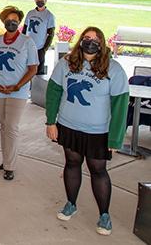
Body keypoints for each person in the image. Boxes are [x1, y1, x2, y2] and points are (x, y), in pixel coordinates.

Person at [45, 27, 129, 236]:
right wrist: (50, 121)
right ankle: (71, 203)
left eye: (95, 39)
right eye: (86, 38)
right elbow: (54, 92)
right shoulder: (66, 63)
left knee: (98, 170)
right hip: (69, 125)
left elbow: (120, 105)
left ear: (102, 44)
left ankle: (104, 215)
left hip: (98, 131)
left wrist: (115, 138)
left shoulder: (114, 69)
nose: (90, 42)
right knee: (72, 163)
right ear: (80, 40)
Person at [0, 6, 38, 180]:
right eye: (8, 20)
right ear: (3, 21)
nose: (11, 22)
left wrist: (18, 85)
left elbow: (32, 69)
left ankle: (10, 166)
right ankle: (6, 158)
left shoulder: (27, 42)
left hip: (18, 92)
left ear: (19, 22)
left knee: (12, 126)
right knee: (4, 125)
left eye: (15, 20)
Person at [23, 0, 55, 75]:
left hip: (40, 46)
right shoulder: (30, 13)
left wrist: (45, 48)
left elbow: (51, 33)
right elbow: (24, 28)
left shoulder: (49, 15)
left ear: (45, 0)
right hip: (28, 45)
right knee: (26, 68)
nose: (39, 0)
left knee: (38, 71)